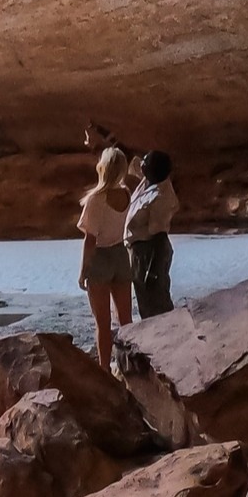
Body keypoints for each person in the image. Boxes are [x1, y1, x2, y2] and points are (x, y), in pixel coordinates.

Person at [76, 146, 134, 368]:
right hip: (121, 254)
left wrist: (83, 272)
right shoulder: (126, 194)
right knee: (126, 320)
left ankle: (104, 369)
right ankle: (128, 364)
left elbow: (90, 240)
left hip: (100, 257)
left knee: (102, 323)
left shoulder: (96, 199)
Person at [125, 150, 178, 318]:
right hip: (140, 249)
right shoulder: (148, 181)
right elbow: (129, 159)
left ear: (153, 170)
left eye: (145, 163)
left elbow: (159, 235)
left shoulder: (161, 196)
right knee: (145, 299)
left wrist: (153, 270)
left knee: (155, 300)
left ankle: (167, 337)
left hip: (150, 251)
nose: (141, 165)